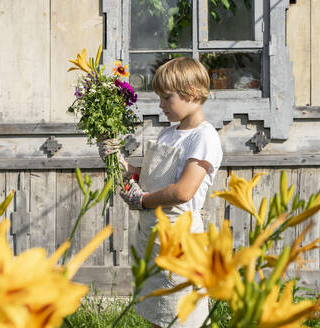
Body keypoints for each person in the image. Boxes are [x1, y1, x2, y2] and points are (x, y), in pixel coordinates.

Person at [99, 57, 223, 328]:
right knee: (159, 315)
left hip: (180, 242)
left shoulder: (204, 137)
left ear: (191, 93)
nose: (160, 104)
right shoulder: (169, 134)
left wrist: (142, 200)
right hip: (154, 237)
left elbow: (183, 191)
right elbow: (145, 177)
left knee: (180, 316)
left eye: (167, 98)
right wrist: (117, 161)